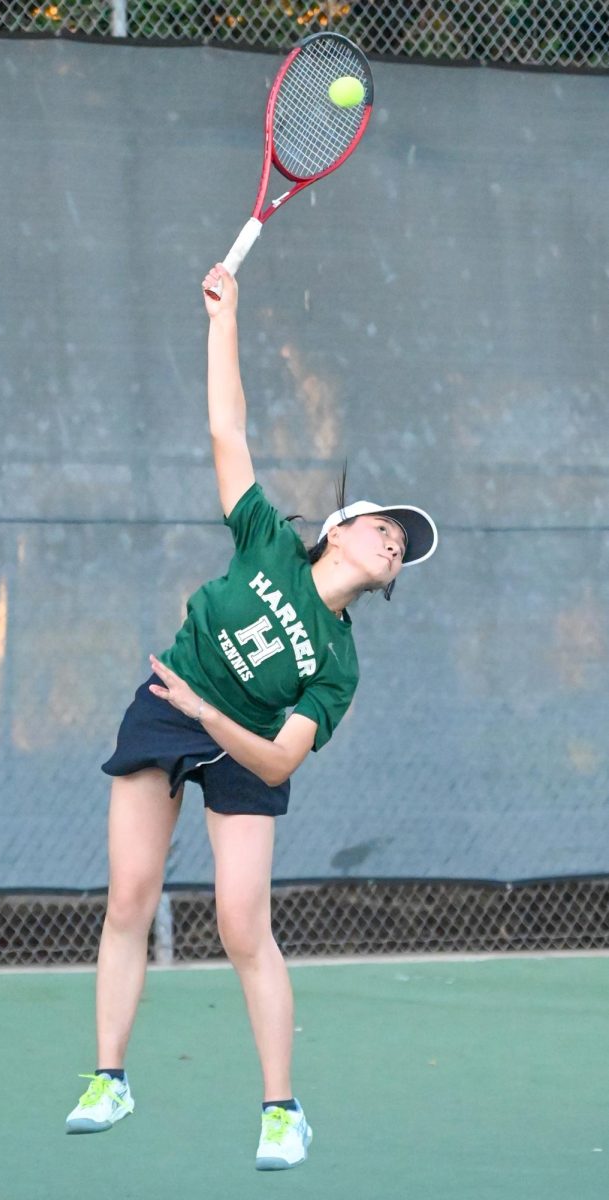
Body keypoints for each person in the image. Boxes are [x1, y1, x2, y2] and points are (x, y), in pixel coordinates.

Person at [65, 263, 438, 1170]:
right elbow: (225, 425)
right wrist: (222, 319)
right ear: (338, 529)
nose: (393, 542)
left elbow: (277, 766)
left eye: (403, 547)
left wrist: (207, 710)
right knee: (128, 896)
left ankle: (283, 1110)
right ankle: (109, 1078)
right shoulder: (266, 540)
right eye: (382, 527)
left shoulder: (338, 665)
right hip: (168, 706)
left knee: (241, 924)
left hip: (238, 740)